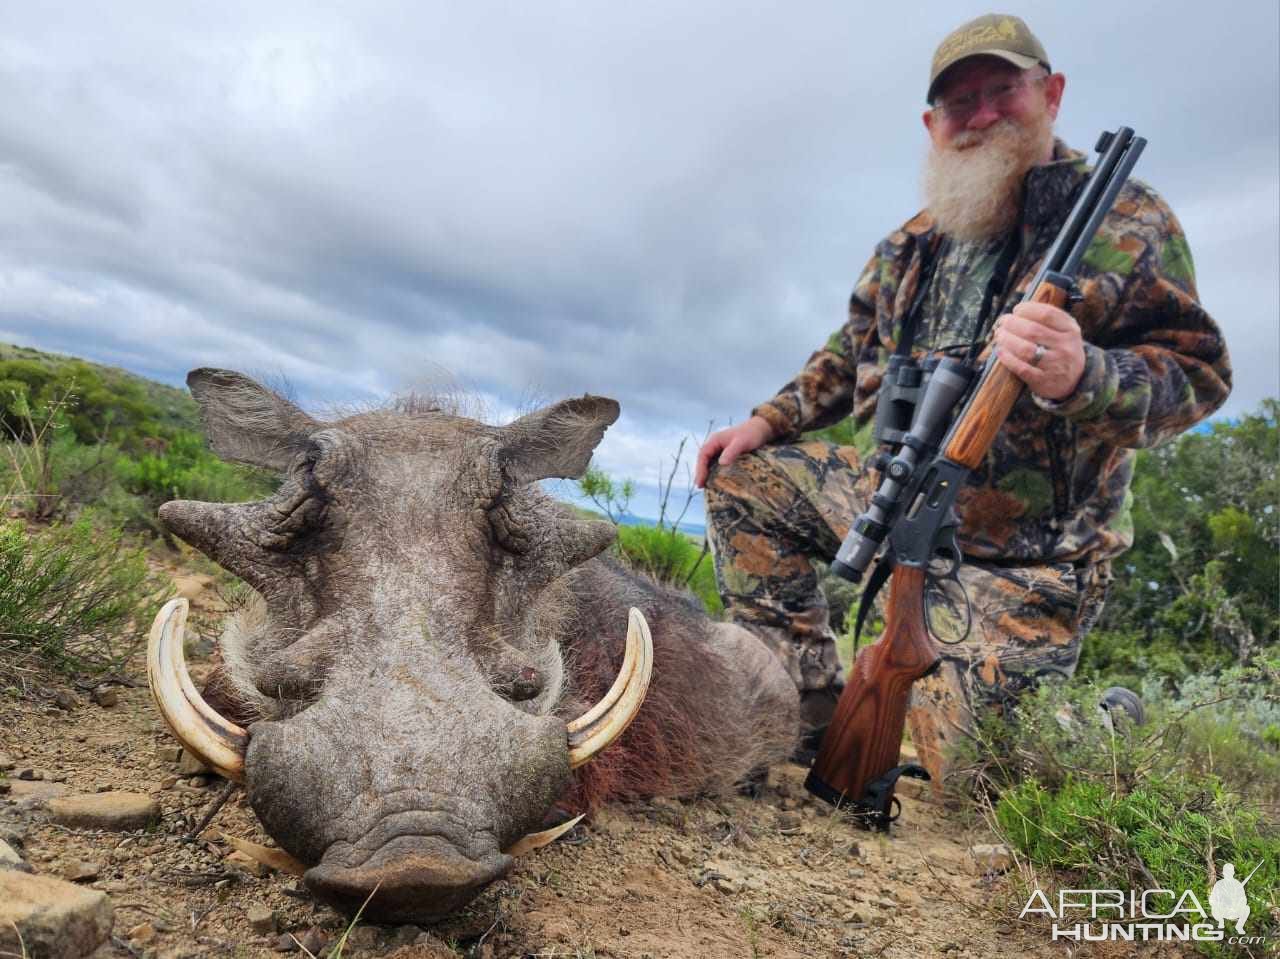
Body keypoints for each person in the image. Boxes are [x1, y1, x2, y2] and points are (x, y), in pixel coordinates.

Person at [693, 13, 1232, 785]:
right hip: (895, 497)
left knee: (976, 781)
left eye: (1001, 91)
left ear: (1051, 93)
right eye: (959, 103)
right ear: (930, 123)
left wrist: (1085, 377)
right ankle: (803, 707)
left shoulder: (1127, 220)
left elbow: (1200, 374)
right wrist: (766, 419)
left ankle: (1104, 724)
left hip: (1029, 555)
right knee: (742, 478)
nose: (980, 116)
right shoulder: (912, 240)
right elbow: (848, 354)